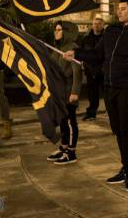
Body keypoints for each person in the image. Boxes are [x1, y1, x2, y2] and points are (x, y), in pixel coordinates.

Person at [63, 0, 128, 192]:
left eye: (123, 9)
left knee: (127, 131)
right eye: (117, 9)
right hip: (110, 88)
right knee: (118, 131)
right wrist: (76, 54)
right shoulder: (111, 31)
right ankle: (127, 167)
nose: (118, 12)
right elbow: (97, 55)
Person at [47, 21, 83, 165]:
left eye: (59, 30)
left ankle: (71, 152)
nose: (56, 32)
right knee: (62, 122)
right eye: (55, 30)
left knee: (69, 122)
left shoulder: (72, 48)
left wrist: (75, 92)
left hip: (68, 93)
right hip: (59, 93)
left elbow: (77, 72)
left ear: (67, 32)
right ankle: (64, 148)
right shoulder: (57, 48)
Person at [80, 17, 105, 121]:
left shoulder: (106, 38)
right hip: (90, 71)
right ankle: (91, 113)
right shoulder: (86, 38)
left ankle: (113, 112)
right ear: (92, 25)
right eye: (95, 23)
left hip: (104, 71)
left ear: (103, 25)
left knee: (108, 95)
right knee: (92, 95)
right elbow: (81, 53)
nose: (97, 25)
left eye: (99, 24)